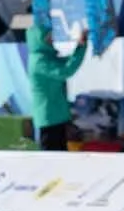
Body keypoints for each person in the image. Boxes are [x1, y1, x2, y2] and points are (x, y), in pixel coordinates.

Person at [28, 22, 89, 151]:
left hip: (56, 117)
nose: (52, 40)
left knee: (60, 157)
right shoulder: (39, 61)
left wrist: (80, 46)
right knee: (51, 158)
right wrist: (80, 47)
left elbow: (68, 61)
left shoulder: (47, 58)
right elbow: (66, 70)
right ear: (39, 40)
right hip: (49, 118)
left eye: (51, 36)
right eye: (48, 38)